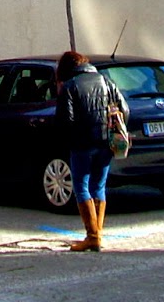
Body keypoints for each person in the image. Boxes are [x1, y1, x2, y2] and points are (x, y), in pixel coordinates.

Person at [56, 49, 126, 252]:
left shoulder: (70, 87)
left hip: (82, 144)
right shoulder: (106, 82)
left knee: (81, 186)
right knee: (99, 186)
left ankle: (92, 236)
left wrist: (69, 139)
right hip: (106, 142)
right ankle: (97, 234)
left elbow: (65, 120)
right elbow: (125, 110)